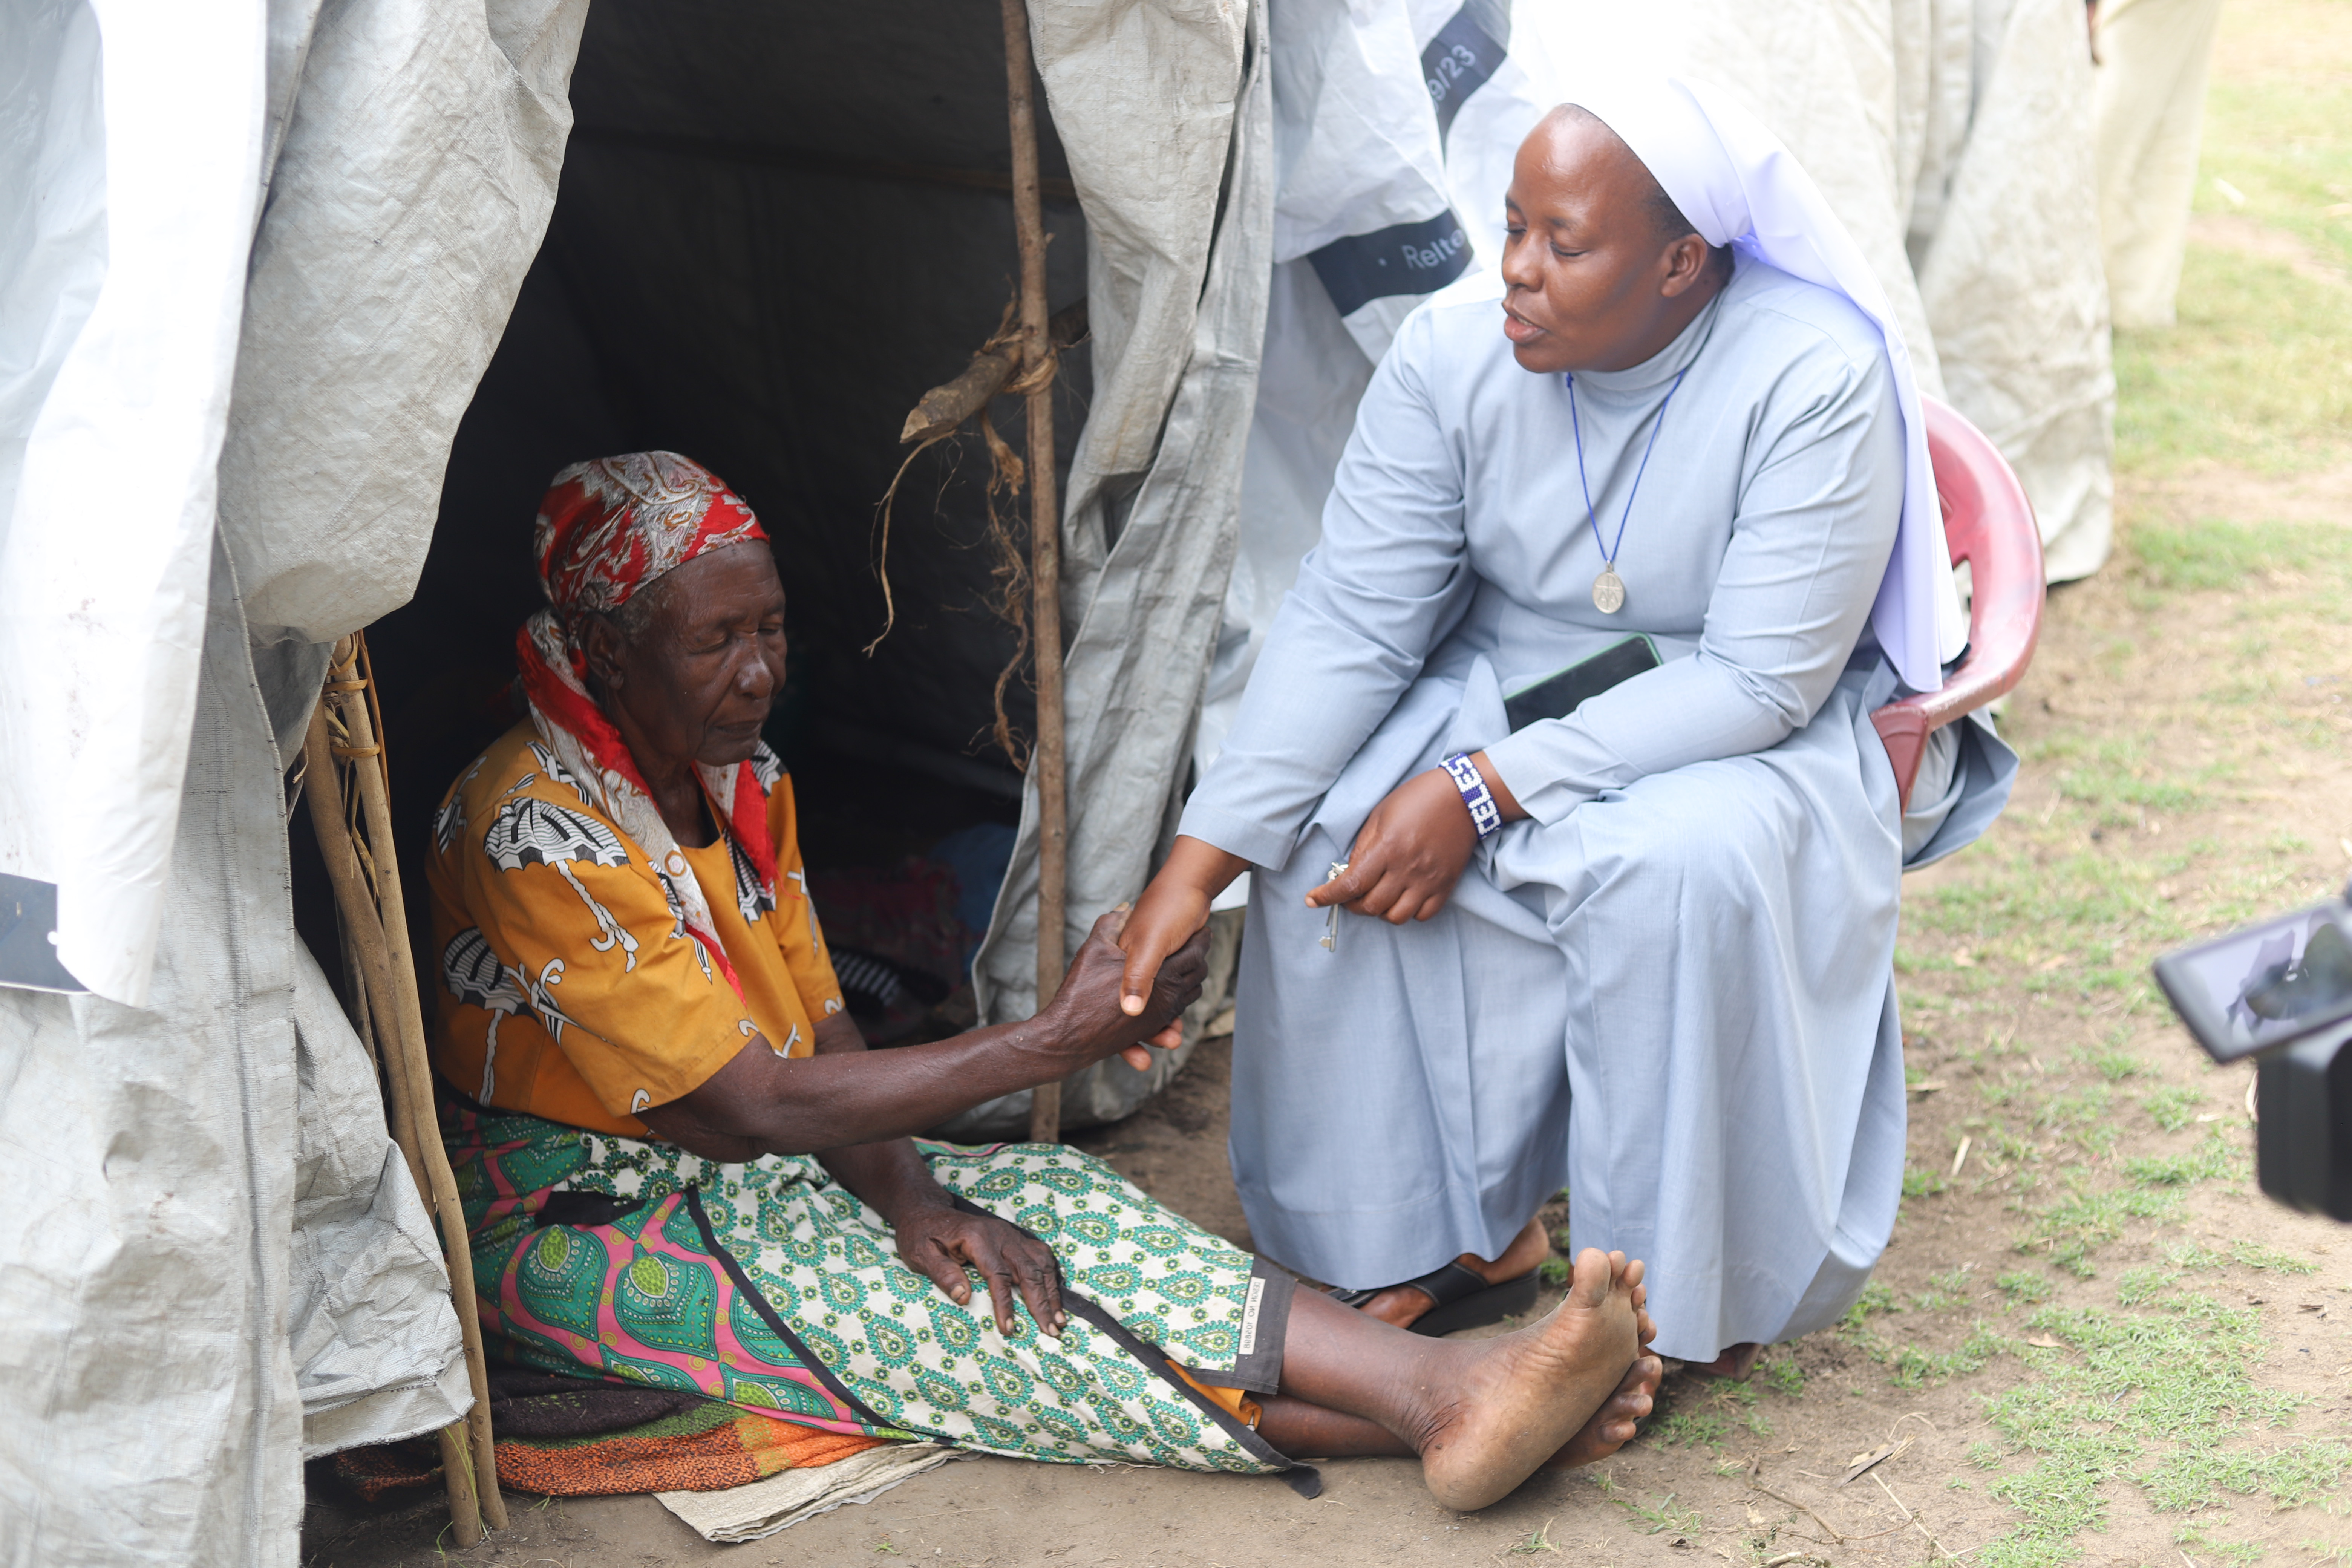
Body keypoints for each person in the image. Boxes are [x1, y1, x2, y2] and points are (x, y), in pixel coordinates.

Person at [425, 450, 1665, 1512]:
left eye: (770, 630)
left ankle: (1455, 1401)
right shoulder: (535, 825)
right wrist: (1041, 1047)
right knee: (950, 1320)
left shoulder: (740, 776)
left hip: (751, 1162)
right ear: (605, 650)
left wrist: (913, 1193)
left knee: (1042, 1203)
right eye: (714, 640)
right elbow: (743, 1105)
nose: (758, 672)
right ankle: (1443, 1406)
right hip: (571, 1209)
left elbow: (825, 1035)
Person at [1119, 85, 2013, 1372]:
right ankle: (1434, 1240)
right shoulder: (1450, 355)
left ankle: (1656, 1304)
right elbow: (1355, 621)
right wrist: (1195, 870)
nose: (1520, 276)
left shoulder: (1814, 371)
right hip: (1508, 678)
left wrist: (1486, 789)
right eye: (1513, 229)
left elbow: (1763, 680)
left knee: (1668, 872)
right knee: (1330, 830)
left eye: (1565, 243)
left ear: (1680, 262)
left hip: (1752, 724)